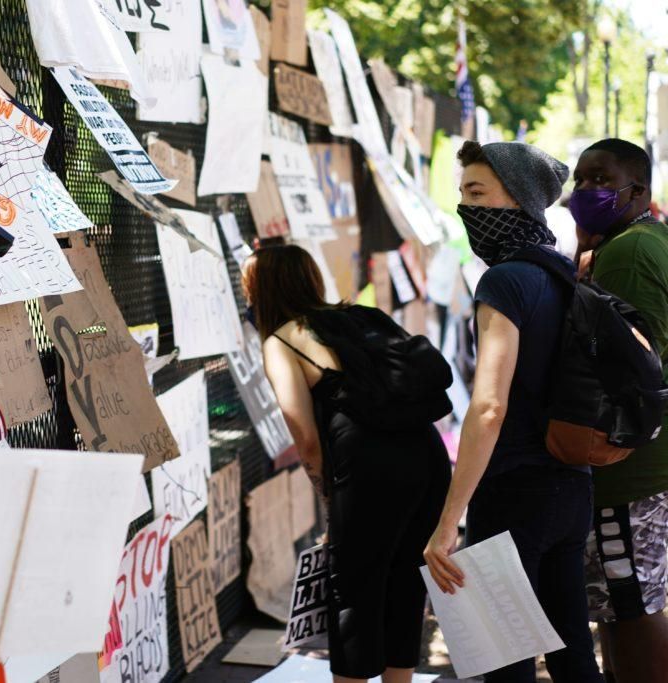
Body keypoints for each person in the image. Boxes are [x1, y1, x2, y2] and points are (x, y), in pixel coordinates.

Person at [423, 141, 603, 682]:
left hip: (515, 494)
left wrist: (447, 521)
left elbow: (488, 408)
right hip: (572, 487)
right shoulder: (562, 275)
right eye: (461, 194)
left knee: (506, 665)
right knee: (574, 658)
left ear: (520, 199)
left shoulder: (503, 281)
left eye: (477, 192)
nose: (466, 207)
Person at [244, 246, 450, 683]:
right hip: (426, 453)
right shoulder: (361, 316)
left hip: (368, 465)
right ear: (311, 279)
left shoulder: (281, 340)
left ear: (260, 291)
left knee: (354, 589)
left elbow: (305, 438)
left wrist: (329, 499)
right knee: (406, 579)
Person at [571, 138, 668, 683]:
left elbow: (631, 370)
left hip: (628, 467)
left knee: (631, 605)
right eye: (581, 180)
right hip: (637, 464)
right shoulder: (639, 240)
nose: (587, 190)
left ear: (640, 190)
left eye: (602, 180)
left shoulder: (629, 251)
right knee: (620, 603)